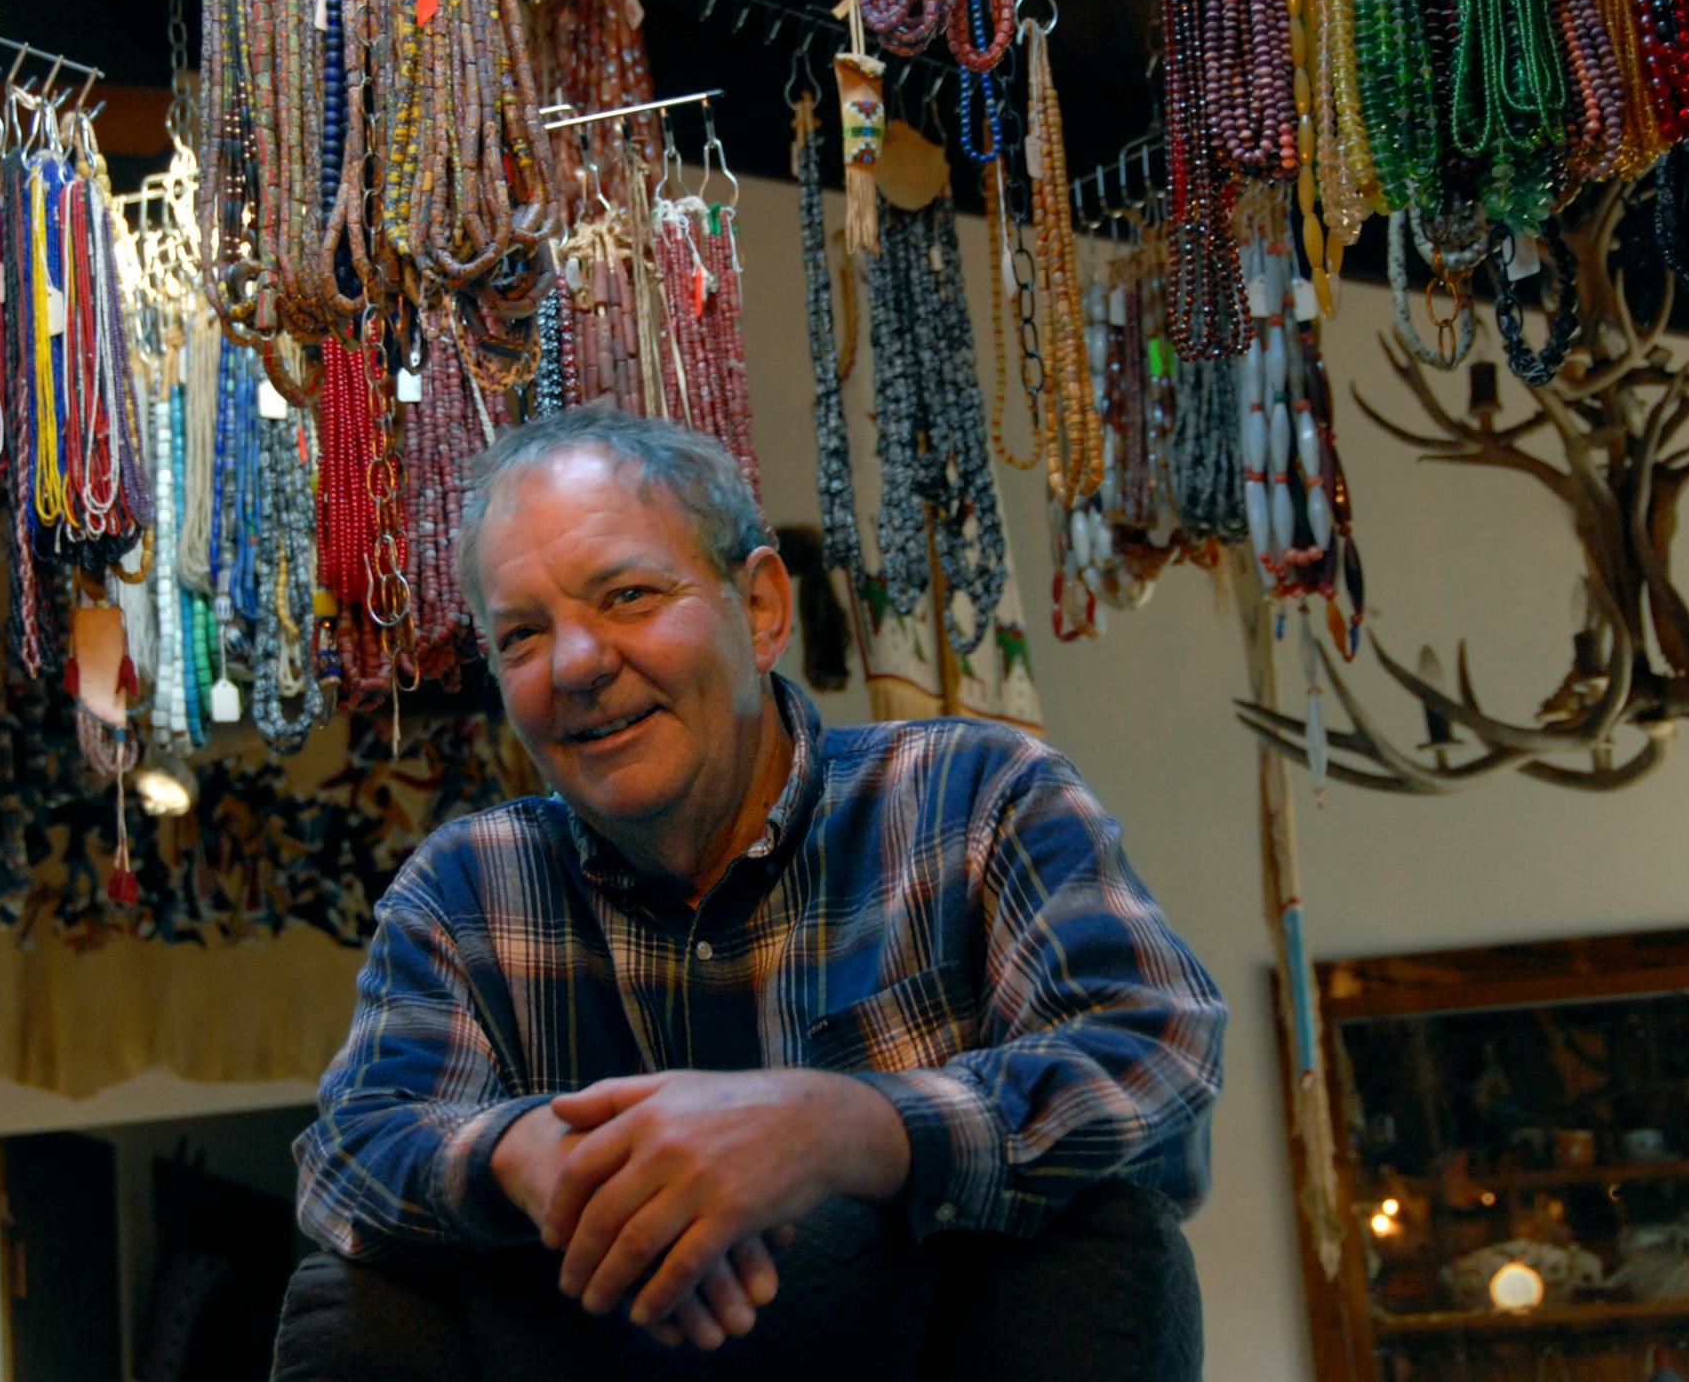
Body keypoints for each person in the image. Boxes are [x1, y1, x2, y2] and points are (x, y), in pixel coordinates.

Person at [286, 405, 1226, 1380]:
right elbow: (347, 1158)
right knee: (352, 1288)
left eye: (628, 595)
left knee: (1107, 1235)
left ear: (764, 608)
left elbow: (1156, 1058)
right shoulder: (465, 890)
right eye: (523, 634)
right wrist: (525, 1155)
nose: (576, 664)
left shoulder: (973, 796)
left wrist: (841, 1128)